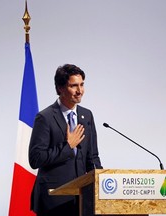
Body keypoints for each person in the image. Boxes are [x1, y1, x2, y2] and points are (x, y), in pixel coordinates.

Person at [29, 64, 102, 216]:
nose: (79, 91)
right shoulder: (45, 117)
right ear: (60, 88)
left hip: (83, 198)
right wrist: (68, 146)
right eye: (73, 86)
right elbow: (35, 159)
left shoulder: (86, 116)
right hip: (54, 199)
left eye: (82, 85)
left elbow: (92, 156)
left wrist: (101, 183)